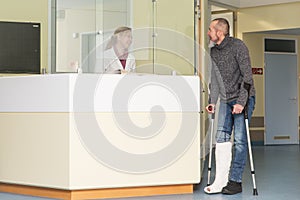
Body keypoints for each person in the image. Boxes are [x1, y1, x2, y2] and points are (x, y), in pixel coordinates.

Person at [204, 18, 256, 195]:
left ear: (220, 32)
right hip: (226, 100)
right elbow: (215, 80)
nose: (208, 33)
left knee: (240, 141)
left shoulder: (238, 46)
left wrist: (241, 103)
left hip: (244, 98)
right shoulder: (213, 52)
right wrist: (212, 101)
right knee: (222, 138)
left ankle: (235, 181)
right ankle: (221, 180)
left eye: (210, 29)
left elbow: (248, 78)